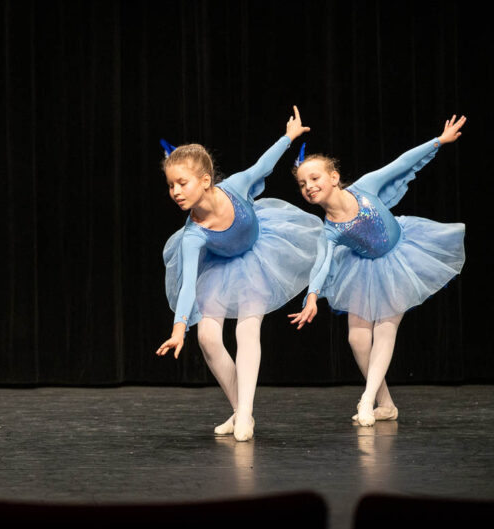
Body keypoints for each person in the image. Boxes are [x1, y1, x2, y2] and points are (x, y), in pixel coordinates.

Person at [289, 115, 466, 426]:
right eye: (303, 184)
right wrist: (313, 296)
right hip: (363, 268)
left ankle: (367, 400)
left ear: (334, 177)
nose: (309, 187)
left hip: (401, 256)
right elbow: (321, 262)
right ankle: (386, 403)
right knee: (357, 340)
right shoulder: (330, 230)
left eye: (314, 178)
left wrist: (439, 141)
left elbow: (401, 163)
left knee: (385, 328)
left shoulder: (365, 188)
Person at [156, 107, 320, 441]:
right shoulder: (193, 234)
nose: (175, 191)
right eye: (171, 185)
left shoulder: (235, 186)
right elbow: (188, 285)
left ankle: (243, 415)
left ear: (205, 181)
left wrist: (289, 137)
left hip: (257, 256)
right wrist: (178, 329)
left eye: (182, 183)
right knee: (207, 337)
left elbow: (264, 165)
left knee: (247, 330)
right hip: (220, 267)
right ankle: (240, 409)